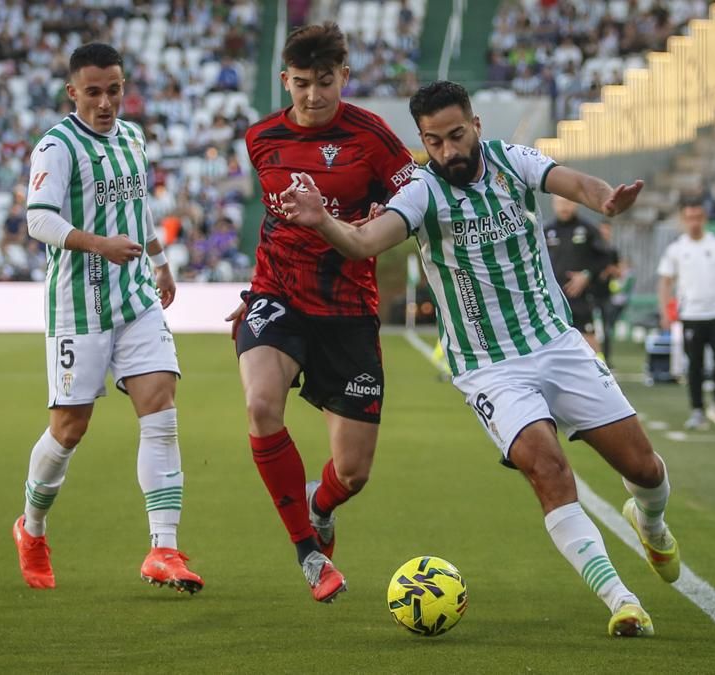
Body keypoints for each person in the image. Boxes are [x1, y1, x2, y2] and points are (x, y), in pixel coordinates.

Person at [279, 80, 677, 637]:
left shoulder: (511, 161)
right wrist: (323, 220)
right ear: (423, 142)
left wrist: (606, 199)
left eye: (457, 136)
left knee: (644, 469)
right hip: (490, 367)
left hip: (557, 344)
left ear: (477, 126)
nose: (449, 152)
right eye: (434, 142)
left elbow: (575, 183)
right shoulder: (421, 192)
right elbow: (367, 241)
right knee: (547, 467)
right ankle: (621, 600)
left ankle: (650, 521)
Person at [225, 23, 416, 604]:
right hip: (276, 296)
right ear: (286, 79)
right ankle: (308, 551)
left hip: (348, 310)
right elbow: (276, 224)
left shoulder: (374, 137)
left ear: (344, 78)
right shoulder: (261, 139)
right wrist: (256, 293)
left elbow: (416, 200)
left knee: (352, 473)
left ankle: (320, 502)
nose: (312, 95)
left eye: (325, 82)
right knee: (260, 404)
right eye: (302, 83)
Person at [12, 43, 203, 594]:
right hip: (79, 306)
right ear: (73, 92)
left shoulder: (133, 138)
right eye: (92, 92)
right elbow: (38, 219)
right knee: (69, 428)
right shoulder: (56, 146)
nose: (104, 102)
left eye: (113, 90)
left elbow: (138, 203)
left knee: (160, 403)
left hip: (136, 297)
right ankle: (32, 528)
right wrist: (98, 244)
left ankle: (163, 548)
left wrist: (161, 261)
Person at [657, 200, 715, 430]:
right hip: (691, 314)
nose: (694, 223)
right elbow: (665, 281)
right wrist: (666, 310)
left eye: (698, 217)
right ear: (684, 220)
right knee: (694, 364)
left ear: (704, 219)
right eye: (689, 218)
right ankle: (697, 410)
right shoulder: (677, 249)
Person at [544, 195, 617, 357]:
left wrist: (586, 275)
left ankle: (599, 373)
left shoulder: (588, 229)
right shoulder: (546, 231)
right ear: (554, 204)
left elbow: (605, 258)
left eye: (568, 202)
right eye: (560, 203)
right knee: (553, 342)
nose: (564, 207)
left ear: (575, 204)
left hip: (582, 298)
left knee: (588, 340)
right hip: (553, 299)